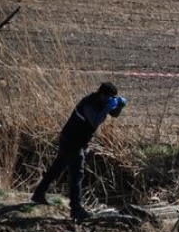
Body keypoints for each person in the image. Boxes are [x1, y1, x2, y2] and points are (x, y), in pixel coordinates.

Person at [30, 82, 127, 221]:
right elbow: (95, 120)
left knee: (58, 167)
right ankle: (76, 209)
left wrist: (119, 106)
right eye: (109, 98)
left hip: (75, 140)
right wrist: (109, 106)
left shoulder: (103, 102)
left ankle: (38, 194)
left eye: (113, 98)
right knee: (77, 173)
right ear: (102, 95)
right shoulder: (88, 103)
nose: (111, 100)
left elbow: (114, 115)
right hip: (71, 141)